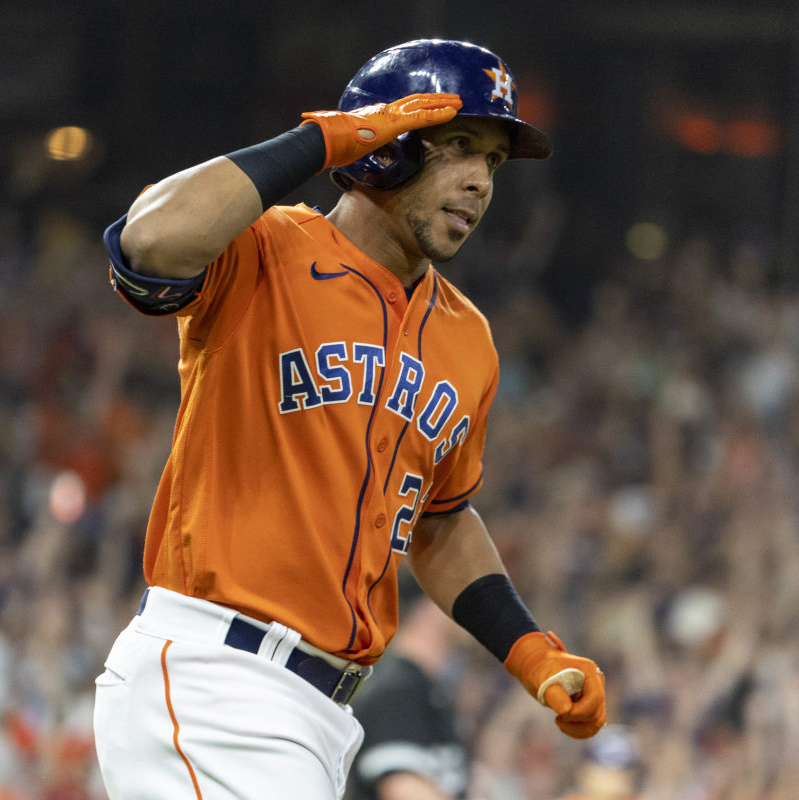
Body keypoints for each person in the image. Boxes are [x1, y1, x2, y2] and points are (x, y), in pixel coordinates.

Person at [91, 38, 607, 800]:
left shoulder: (467, 339)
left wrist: (526, 650)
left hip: (322, 712)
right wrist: (331, 135)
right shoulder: (266, 249)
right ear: (388, 149)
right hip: (214, 679)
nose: (479, 182)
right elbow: (151, 239)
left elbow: (439, 520)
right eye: (460, 146)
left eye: (493, 162)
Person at [347, 575, 469, 800]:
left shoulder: (426, 688)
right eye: (464, 595)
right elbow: (403, 790)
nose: (477, 609)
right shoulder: (397, 688)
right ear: (433, 602)